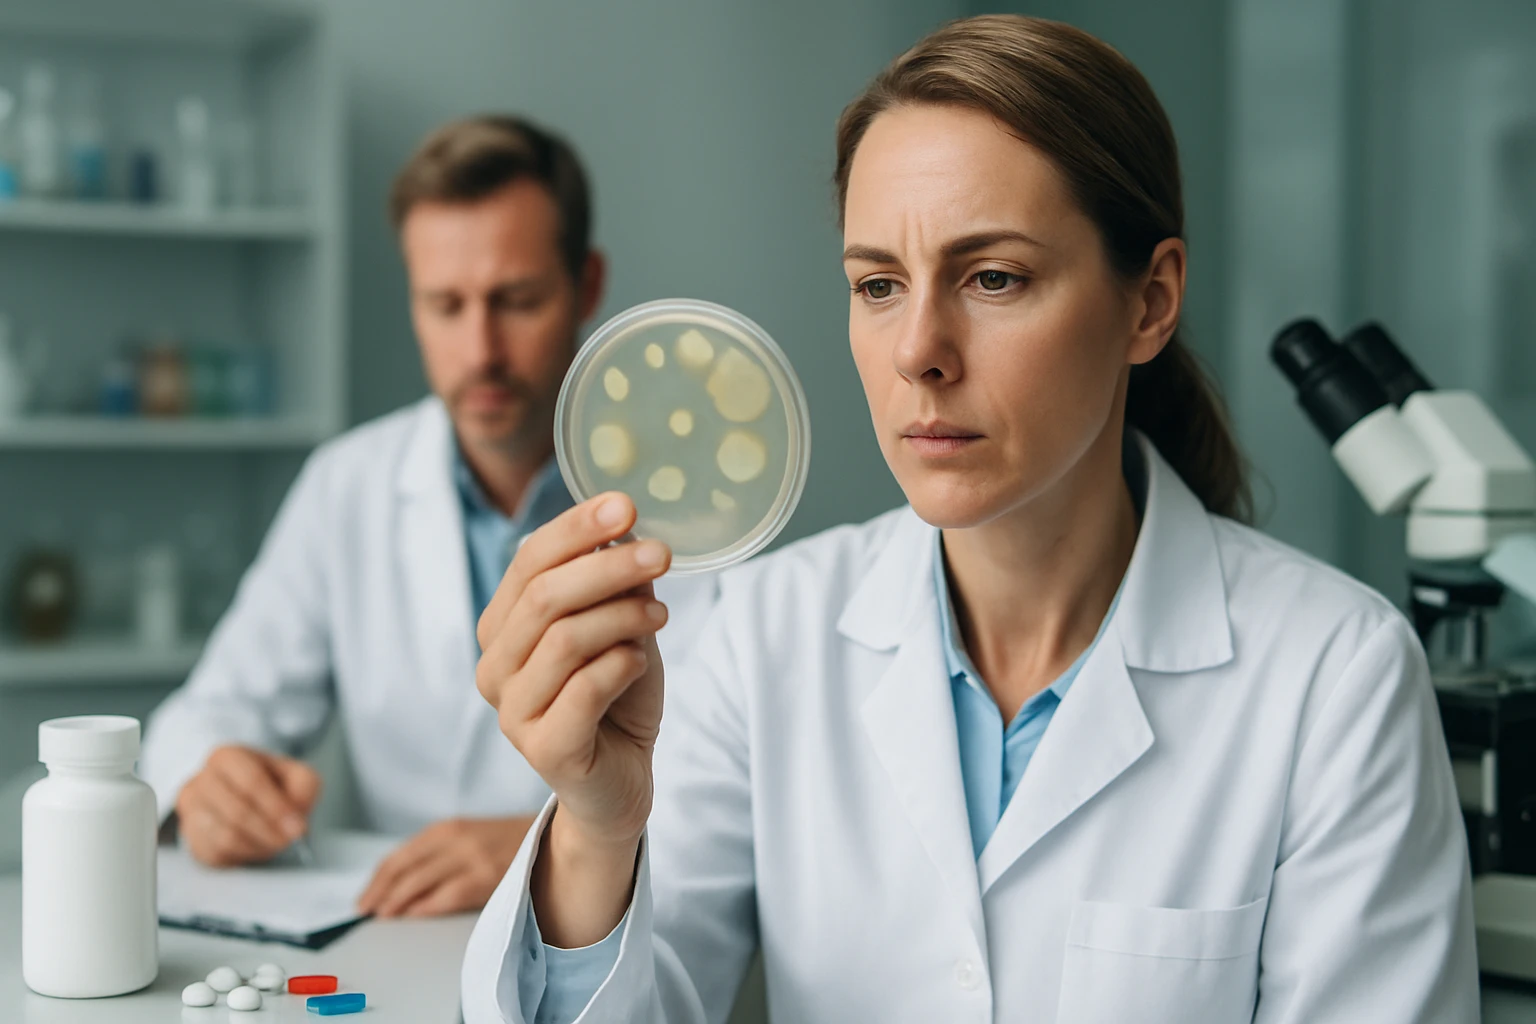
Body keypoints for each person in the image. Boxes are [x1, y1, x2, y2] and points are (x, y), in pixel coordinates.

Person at [460, 15, 1480, 1024]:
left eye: (994, 277)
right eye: (878, 284)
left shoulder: (1335, 678)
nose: (918, 352)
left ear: (1151, 301)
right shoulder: (762, 636)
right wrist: (598, 828)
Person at [139, 116, 714, 919]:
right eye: (445, 305)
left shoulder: (695, 507)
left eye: (517, 300)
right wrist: (209, 778)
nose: (480, 350)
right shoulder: (348, 486)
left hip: (609, 935)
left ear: (586, 286)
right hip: (395, 936)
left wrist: (550, 845)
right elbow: (212, 708)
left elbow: (730, 791)